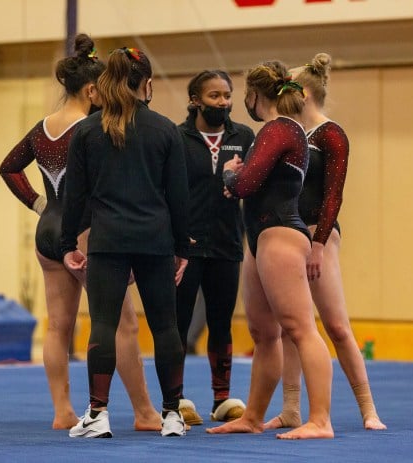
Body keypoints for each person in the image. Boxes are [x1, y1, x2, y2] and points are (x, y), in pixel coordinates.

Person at [0, 34, 161, 432]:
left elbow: (8, 167)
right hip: (86, 233)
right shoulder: (94, 128)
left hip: (48, 229)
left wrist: (39, 204)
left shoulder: (42, 129)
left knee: (58, 326)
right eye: (103, 88)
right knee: (122, 324)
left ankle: (62, 411)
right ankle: (144, 413)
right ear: (92, 89)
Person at [61, 46, 189, 438]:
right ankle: (172, 415)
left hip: (108, 239)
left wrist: (68, 242)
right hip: (156, 238)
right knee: (166, 326)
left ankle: (97, 414)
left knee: (102, 323)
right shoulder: (166, 129)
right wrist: (182, 247)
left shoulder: (85, 131)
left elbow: (75, 196)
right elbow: (178, 196)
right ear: (146, 84)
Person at [207, 60, 334, 440]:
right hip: (260, 238)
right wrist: (239, 178)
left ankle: (321, 420)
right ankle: (253, 415)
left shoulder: (281, 129)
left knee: (300, 329)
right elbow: (251, 181)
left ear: (254, 95)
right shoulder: (272, 132)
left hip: (280, 234)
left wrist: (231, 173)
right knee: (263, 332)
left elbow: (244, 184)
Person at [264, 53, 387, 432]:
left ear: (302, 93)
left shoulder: (331, 135)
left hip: (319, 234)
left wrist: (319, 243)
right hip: (291, 235)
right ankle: (290, 408)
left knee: (335, 325)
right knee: (290, 325)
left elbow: (334, 195)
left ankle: (369, 409)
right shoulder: (289, 133)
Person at [175, 70, 254, 425]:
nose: (222, 102)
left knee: (221, 323)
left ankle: (221, 398)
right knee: (176, 324)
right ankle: (173, 397)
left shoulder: (244, 136)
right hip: (185, 248)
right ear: (195, 100)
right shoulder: (177, 138)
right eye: (214, 96)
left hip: (226, 244)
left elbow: (254, 189)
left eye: (227, 95)